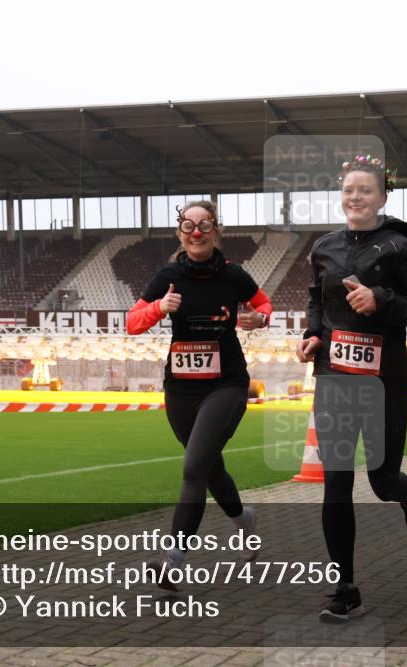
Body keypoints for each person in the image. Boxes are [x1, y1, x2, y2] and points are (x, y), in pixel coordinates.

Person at [295, 154, 407, 623]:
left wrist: (383, 299)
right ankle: (344, 587)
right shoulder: (325, 247)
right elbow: (317, 300)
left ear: (383, 197)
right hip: (334, 379)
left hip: (384, 381)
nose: (356, 197)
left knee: (380, 481)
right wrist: (314, 334)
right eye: (349, 190)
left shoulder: (399, 248)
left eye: (366, 190)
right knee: (336, 482)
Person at [127, 200, 273, 587]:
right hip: (180, 388)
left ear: (215, 230)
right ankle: (244, 520)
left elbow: (263, 304)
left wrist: (259, 320)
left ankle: (172, 559)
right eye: (188, 225)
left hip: (226, 382)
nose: (196, 231)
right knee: (209, 466)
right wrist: (160, 306)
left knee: (193, 467)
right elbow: (132, 323)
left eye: (204, 224)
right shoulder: (168, 276)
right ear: (179, 232)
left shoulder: (233, 275)